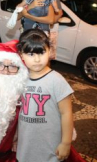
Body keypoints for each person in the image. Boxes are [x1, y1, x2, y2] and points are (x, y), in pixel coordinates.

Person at [16, 29, 78, 162]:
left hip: (50, 146)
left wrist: (66, 143)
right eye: (31, 54)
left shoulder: (56, 80)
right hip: (26, 145)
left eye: (42, 52)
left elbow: (66, 113)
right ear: (21, 54)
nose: (37, 59)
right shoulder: (21, 78)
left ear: (50, 51)